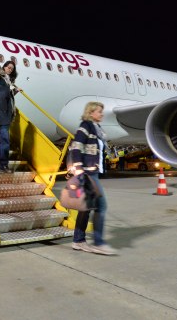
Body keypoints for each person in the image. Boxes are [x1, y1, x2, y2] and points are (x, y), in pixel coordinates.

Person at [69, 101, 117, 255]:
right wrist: (79, 170)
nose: (101, 114)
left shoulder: (97, 128)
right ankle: (98, 243)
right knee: (101, 206)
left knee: (86, 208)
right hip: (88, 173)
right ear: (90, 113)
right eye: (99, 111)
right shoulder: (86, 126)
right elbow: (76, 148)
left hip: (93, 171)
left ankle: (78, 240)